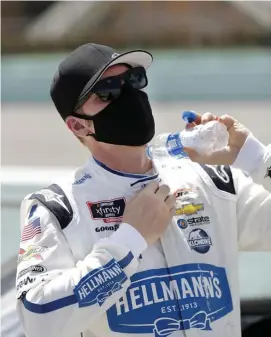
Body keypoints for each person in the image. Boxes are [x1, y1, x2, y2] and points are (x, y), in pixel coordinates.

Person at [15, 43, 271, 337]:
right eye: (108, 91)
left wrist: (255, 158)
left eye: (133, 80)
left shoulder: (213, 182)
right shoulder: (59, 209)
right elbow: (38, 318)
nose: (130, 95)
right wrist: (128, 242)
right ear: (78, 125)